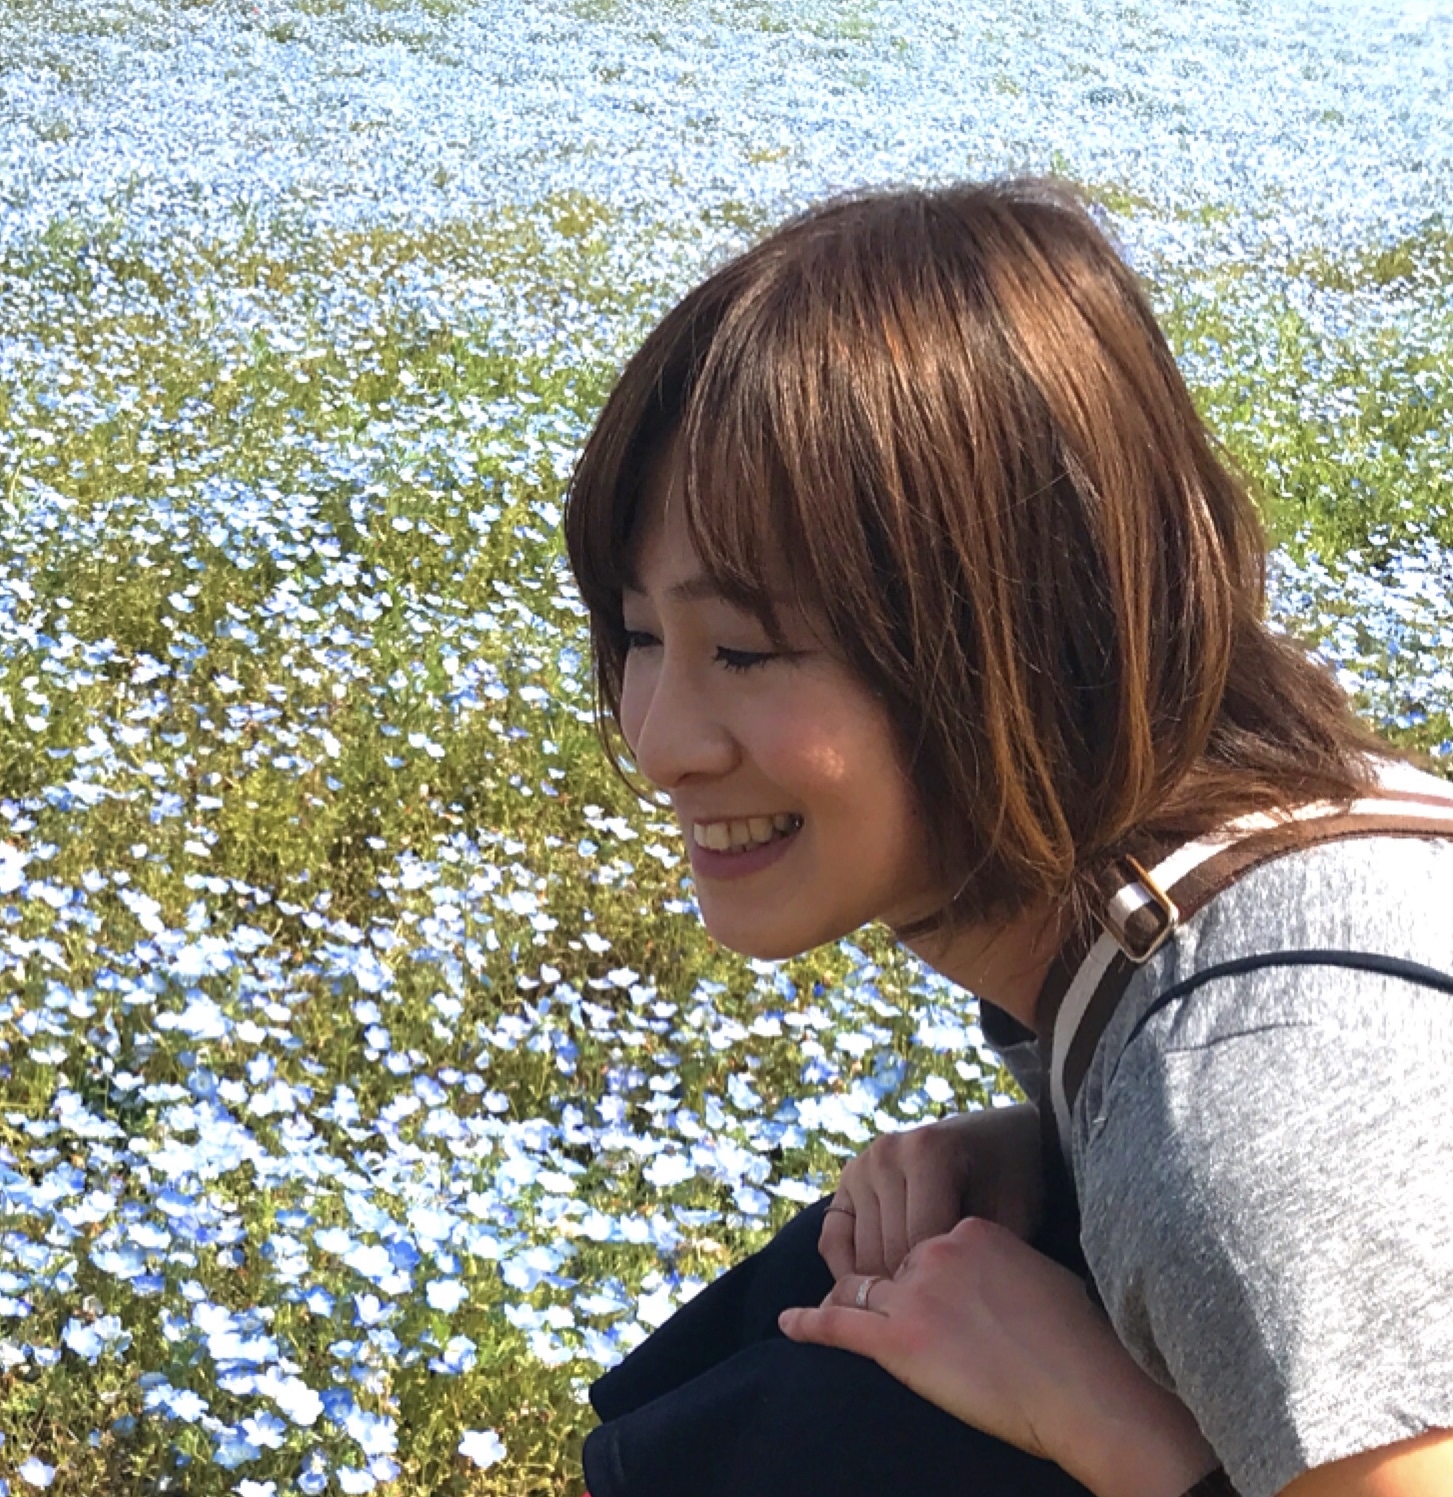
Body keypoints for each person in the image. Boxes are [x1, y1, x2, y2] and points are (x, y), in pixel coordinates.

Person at [560, 178, 1453, 1497]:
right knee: (840, 1309)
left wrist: (1109, 1425)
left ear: (1018, 632)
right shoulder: (1228, 857)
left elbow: (1282, 1151)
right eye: (641, 633)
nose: (660, 740)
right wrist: (1054, 1155)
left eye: (743, 650)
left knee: (833, 1427)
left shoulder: (1247, 1115)